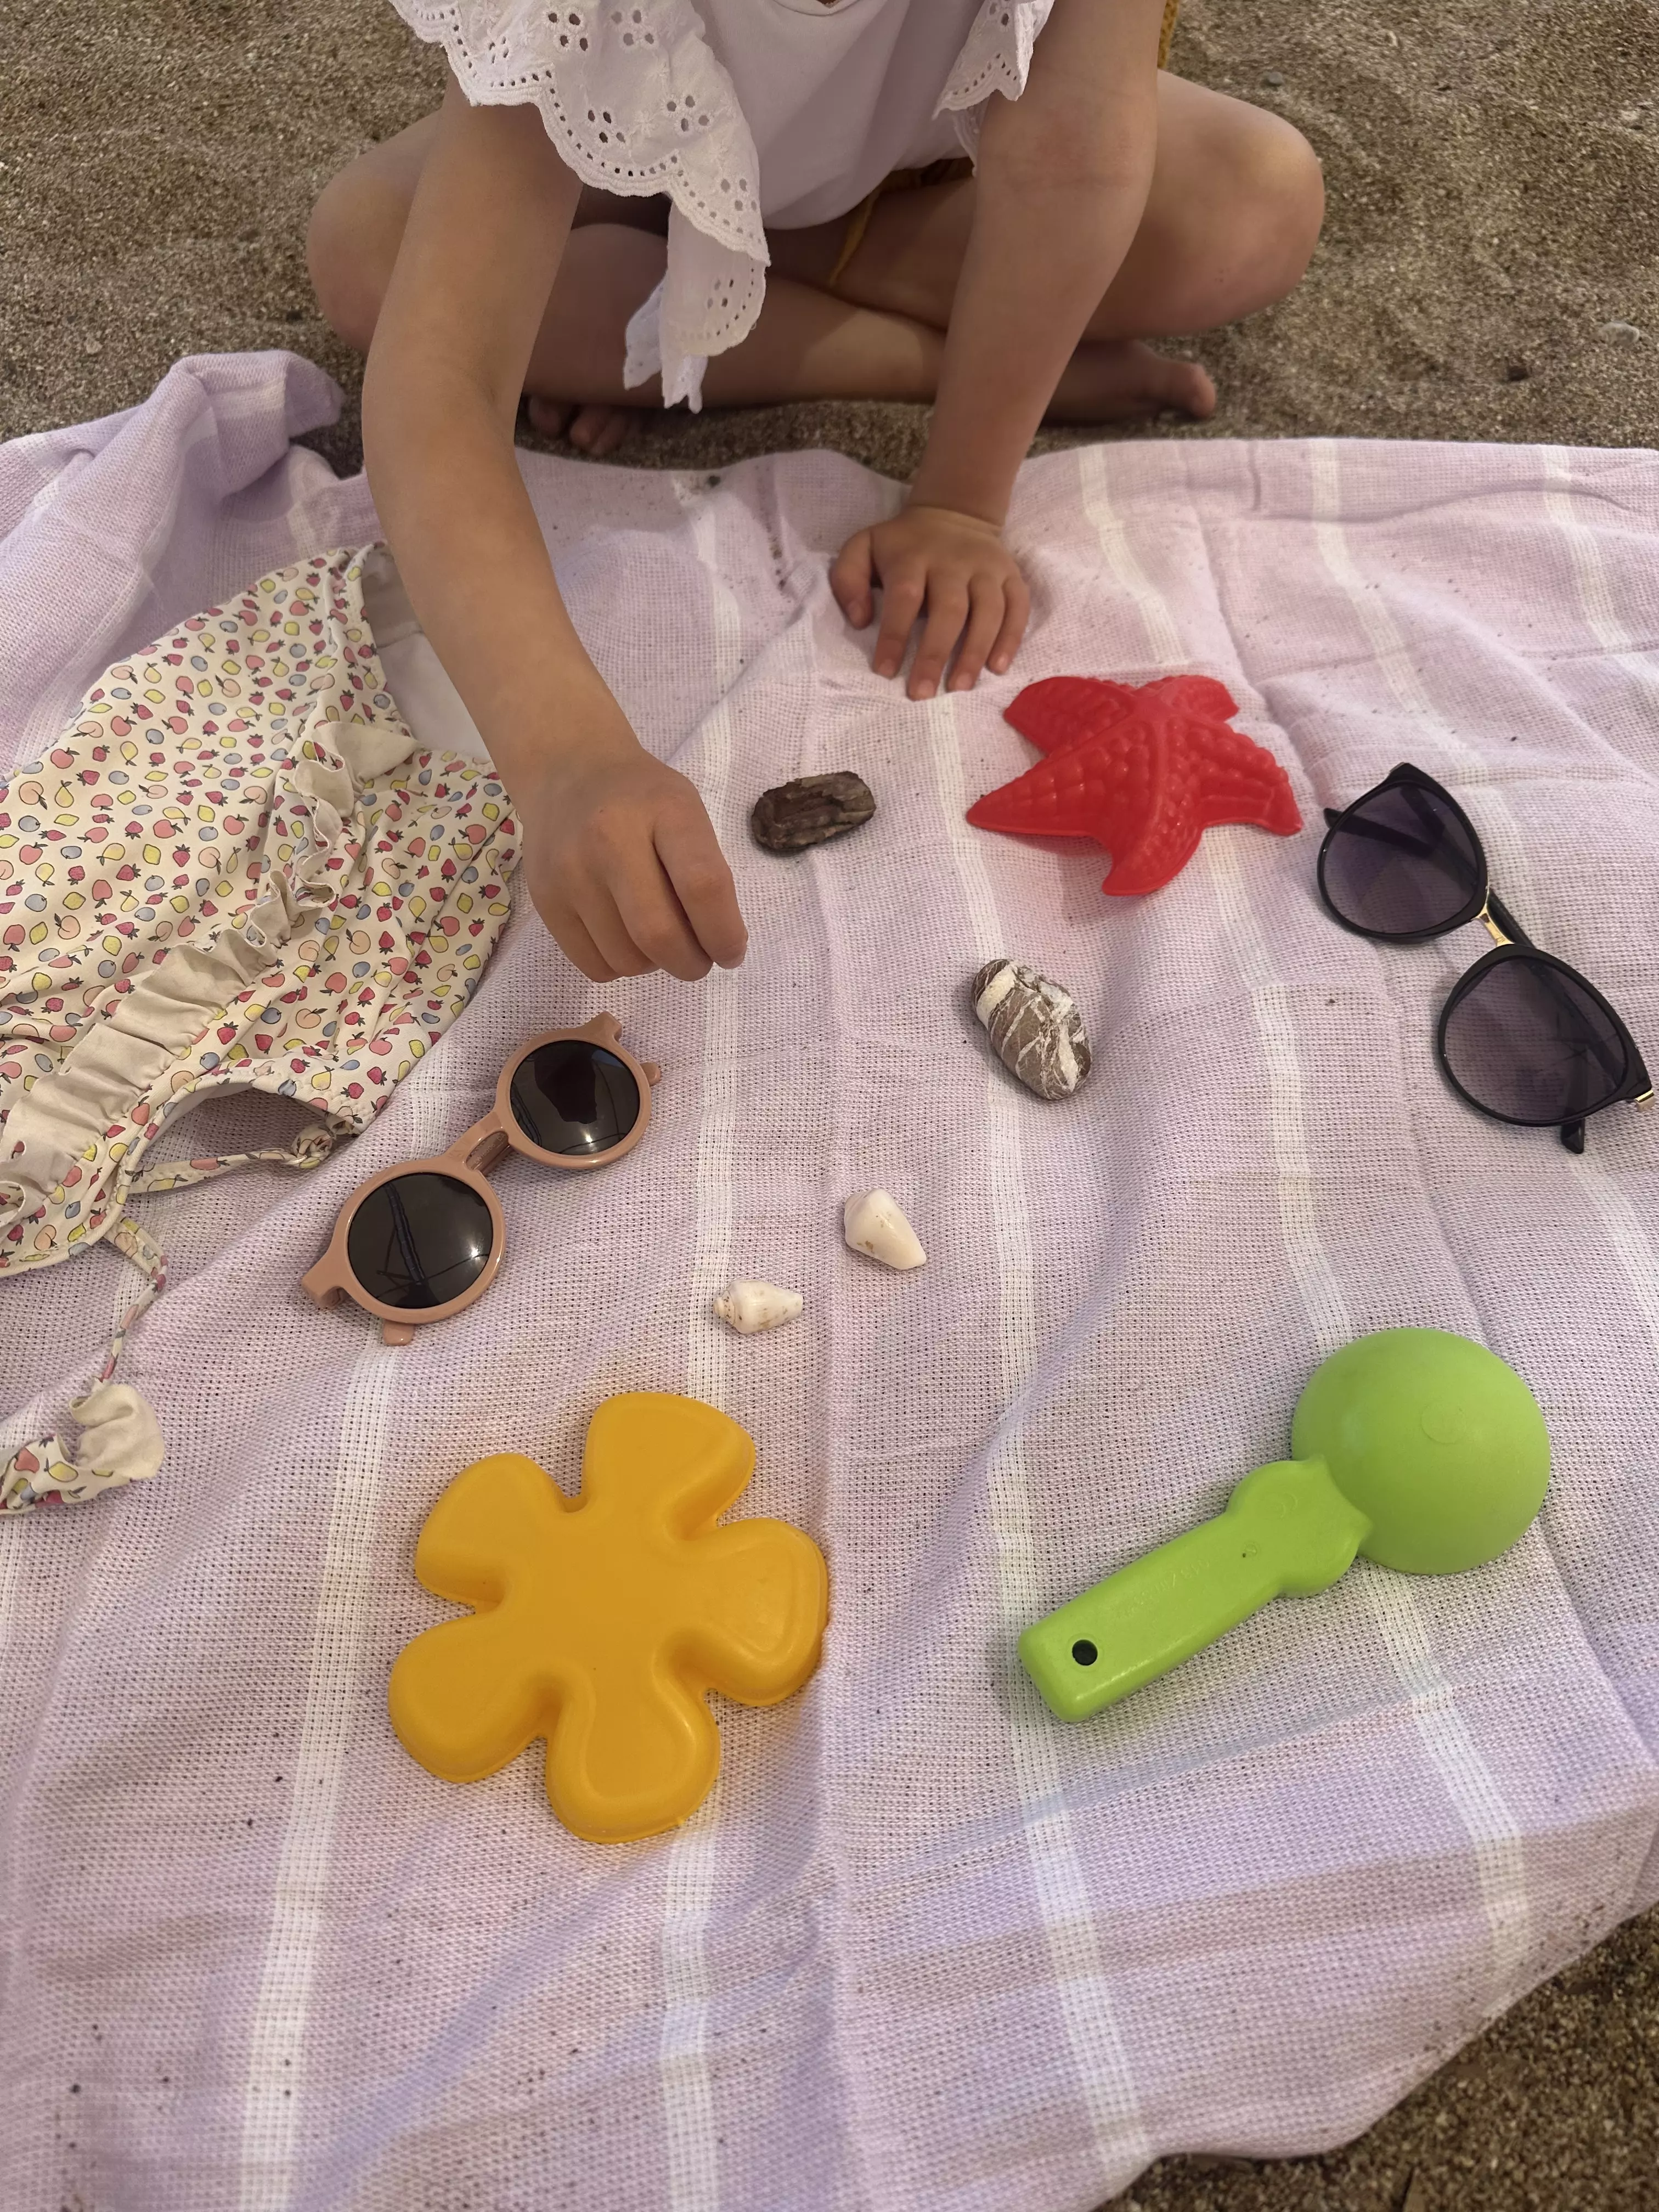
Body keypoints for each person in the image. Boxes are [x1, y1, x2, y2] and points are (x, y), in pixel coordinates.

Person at [308, 0, 1323, 986]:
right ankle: (911, 347)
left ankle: (723, 281)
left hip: (931, 168)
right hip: (645, 135)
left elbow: (1074, 159)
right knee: (367, 258)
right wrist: (567, 756)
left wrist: (963, 499)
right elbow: (442, 375)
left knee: (1256, 206)